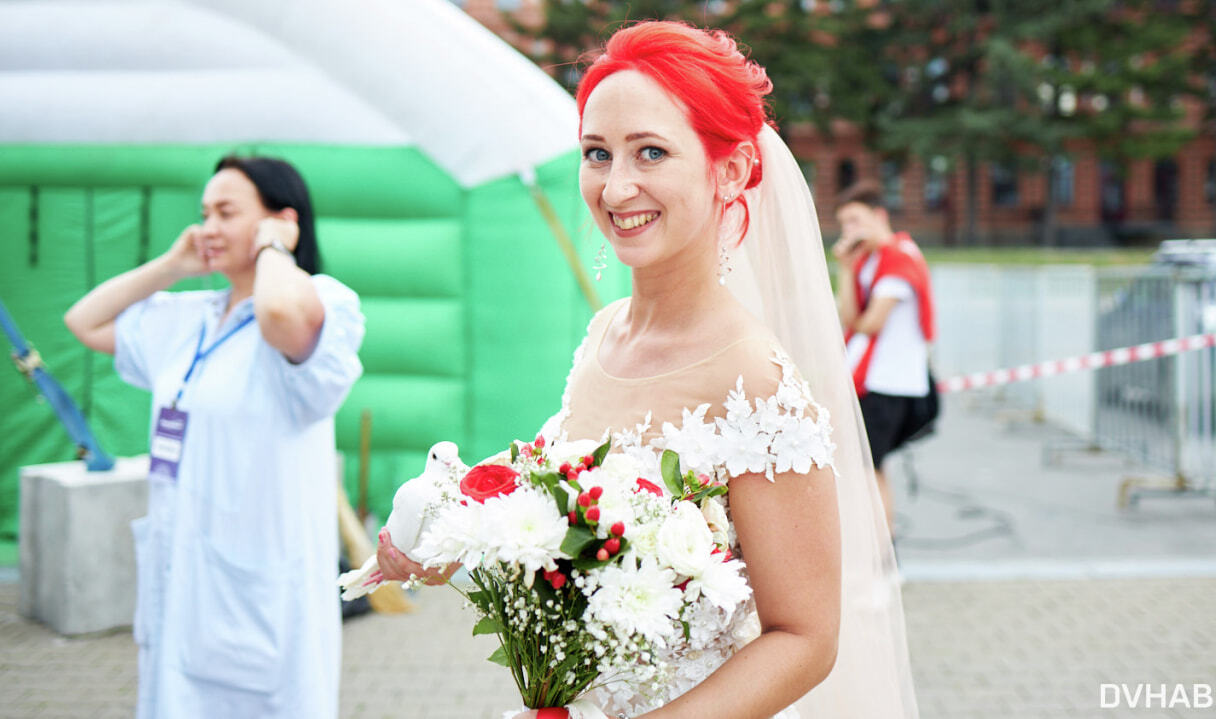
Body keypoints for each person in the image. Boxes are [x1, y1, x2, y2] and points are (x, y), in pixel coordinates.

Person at [377, 21, 916, 719]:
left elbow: (807, 637)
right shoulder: (604, 334)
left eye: (651, 152)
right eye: (596, 153)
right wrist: (445, 540)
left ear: (730, 170)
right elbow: (557, 505)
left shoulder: (755, 379)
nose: (617, 185)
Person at [64, 156, 364, 719]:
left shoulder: (324, 302)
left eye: (227, 212)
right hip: (182, 581)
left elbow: (276, 311)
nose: (208, 227)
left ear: (281, 219)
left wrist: (276, 249)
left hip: (260, 593)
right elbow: (84, 322)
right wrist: (172, 266)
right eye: (204, 213)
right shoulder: (189, 316)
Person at [832, 180, 936, 533]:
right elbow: (850, 318)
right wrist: (846, 269)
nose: (850, 231)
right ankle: (878, 549)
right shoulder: (870, 262)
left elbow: (869, 323)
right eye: (844, 224)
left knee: (868, 470)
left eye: (856, 221)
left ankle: (883, 554)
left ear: (879, 216)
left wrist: (851, 278)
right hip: (875, 381)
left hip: (888, 383)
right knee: (868, 467)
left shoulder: (900, 258)